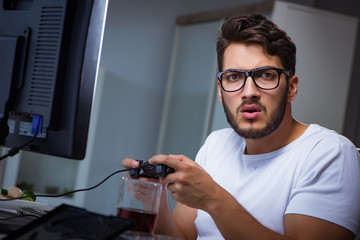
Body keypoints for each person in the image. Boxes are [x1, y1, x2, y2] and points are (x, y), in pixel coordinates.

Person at [122, 14, 360, 240]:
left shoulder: (328, 153)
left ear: (291, 88)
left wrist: (213, 198)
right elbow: (182, 236)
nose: (249, 92)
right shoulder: (217, 144)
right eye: (234, 77)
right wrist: (156, 198)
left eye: (266, 75)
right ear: (220, 90)